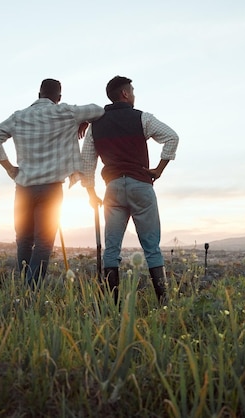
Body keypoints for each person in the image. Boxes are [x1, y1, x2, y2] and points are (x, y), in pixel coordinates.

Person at [0, 78, 104, 288]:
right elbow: (98, 110)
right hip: (51, 188)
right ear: (58, 98)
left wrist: (10, 168)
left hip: (23, 187)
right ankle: (32, 290)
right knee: (43, 242)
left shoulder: (18, 117)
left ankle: (23, 288)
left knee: (23, 239)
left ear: (39, 95)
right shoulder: (65, 112)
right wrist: (83, 121)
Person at [80, 76, 179, 304]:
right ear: (125, 94)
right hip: (140, 185)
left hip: (112, 188)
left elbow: (87, 162)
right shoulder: (142, 118)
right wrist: (159, 169)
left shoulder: (96, 125)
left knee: (111, 249)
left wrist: (90, 193)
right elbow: (172, 137)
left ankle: (112, 305)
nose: (134, 95)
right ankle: (164, 303)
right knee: (151, 247)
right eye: (132, 91)